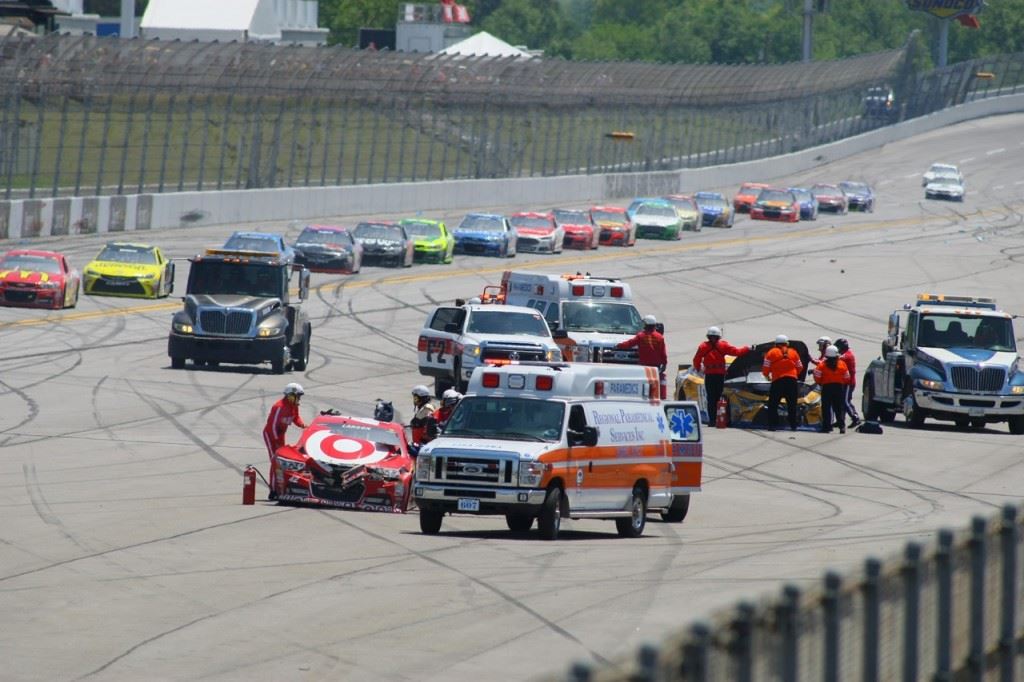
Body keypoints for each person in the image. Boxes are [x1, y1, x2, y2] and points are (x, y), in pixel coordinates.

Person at [692, 326, 750, 425]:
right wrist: (747, 348)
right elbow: (737, 352)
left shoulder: (703, 347)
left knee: (711, 398)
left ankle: (712, 421)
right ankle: (721, 419)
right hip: (719, 376)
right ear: (719, 336)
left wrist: (698, 369)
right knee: (719, 397)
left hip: (709, 376)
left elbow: (696, 360)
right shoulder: (723, 346)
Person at [263, 383, 307, 500]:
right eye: (298, 396)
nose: (299, 399)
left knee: (282, 462)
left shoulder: (293, 406)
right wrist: (276, 441)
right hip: (271, 435)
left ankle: (281, 488)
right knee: (275, 462)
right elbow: (272, 426)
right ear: (290, 395)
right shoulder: (279, 407)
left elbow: (296, 417)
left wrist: (303, 425)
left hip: (281, 434)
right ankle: (273, 490)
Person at [617, 314, 668, 397]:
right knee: (655, 383)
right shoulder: (660, 338)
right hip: (656, 367)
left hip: (643, 366)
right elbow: (663, 353)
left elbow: (630, 343)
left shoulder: (641, 336)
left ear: (646, 325)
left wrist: (619, 345)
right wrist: (665, 364)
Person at [762, 334, 804, 431]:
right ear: (787, 343)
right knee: (792, 404)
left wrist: (767, 375)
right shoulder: (793, 352)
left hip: (778, 381)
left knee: (773, 404)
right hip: (792, 381)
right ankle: (793, 425)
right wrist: (793, 374)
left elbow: (765, 368)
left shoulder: (771, 352)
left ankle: (772, 425)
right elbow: (800, 367)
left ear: (776, 344)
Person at [813, 345, 850, 433]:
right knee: (838, 408)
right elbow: (847, 377)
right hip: (839, 388)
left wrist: (821, 382)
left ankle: (827, 427)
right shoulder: (842, 364)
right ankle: (842, 427)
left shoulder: (822, 365)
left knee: (826, 408)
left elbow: (817, 376)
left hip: (827, 388)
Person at [834, 338, 861, 427]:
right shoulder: (847, 354)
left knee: (845, 401)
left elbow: (834, 361)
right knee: (843, 401)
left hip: (848, 382)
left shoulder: (846, 355)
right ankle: (841, 420)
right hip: (846, 382)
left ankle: (855, 417)